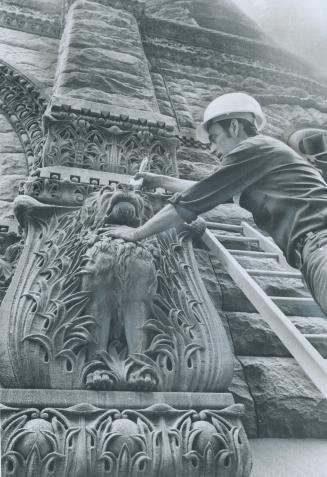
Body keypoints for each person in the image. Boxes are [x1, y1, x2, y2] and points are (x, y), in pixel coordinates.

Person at [107, 92, 327, 315]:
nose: (211, 149)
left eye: (213, 137)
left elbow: (189, 202)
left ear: (234, 126)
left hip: (320, 244)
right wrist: (158, 180)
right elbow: (207, 188)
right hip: (313, 249)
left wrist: (136, 234)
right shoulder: (264, 155)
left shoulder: (251, 148)